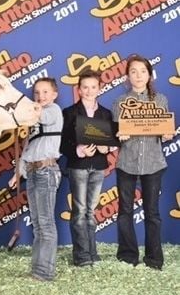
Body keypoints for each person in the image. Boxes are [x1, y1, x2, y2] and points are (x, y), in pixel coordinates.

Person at [112, 54, 173, 270]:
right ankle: (128, 256)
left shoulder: (161, 100)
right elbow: (114, 134)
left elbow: (164, 130)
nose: (138, 76)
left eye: (142, 71)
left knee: (152, 212)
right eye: (133, 72)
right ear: (128, 76)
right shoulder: (119, 102)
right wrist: (119, 135)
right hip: (127, 162)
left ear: (149, 75)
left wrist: (166, 135)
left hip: (153, 162)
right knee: (125, 211)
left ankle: (154, 259)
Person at [9, 78, 62, 281]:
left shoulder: (53, 111)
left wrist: (23, 108)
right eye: (37, 93)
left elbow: (42, 116)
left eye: (45, 92)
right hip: (33, 172)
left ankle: (45, 272)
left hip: (46, 170)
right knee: (39, 225)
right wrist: (18, 172)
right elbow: (29, 149)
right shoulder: (34, 122)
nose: (41, 96)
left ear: (54, 95)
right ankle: (38, 269)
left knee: (46, 224)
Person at [60, 70, 113, 267]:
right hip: (78, 166)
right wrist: (79, 150)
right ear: (78, 90)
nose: (89, 91)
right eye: (85, 87)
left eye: (93, 87)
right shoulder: (69, 113)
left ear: (100, 89)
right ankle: (81, 255)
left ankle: (92, 252)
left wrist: (105, 147)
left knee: (91, 211)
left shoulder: (106, 113)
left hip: (98, 166)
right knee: (80, 210)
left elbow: (112, 142)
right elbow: (62, 144)